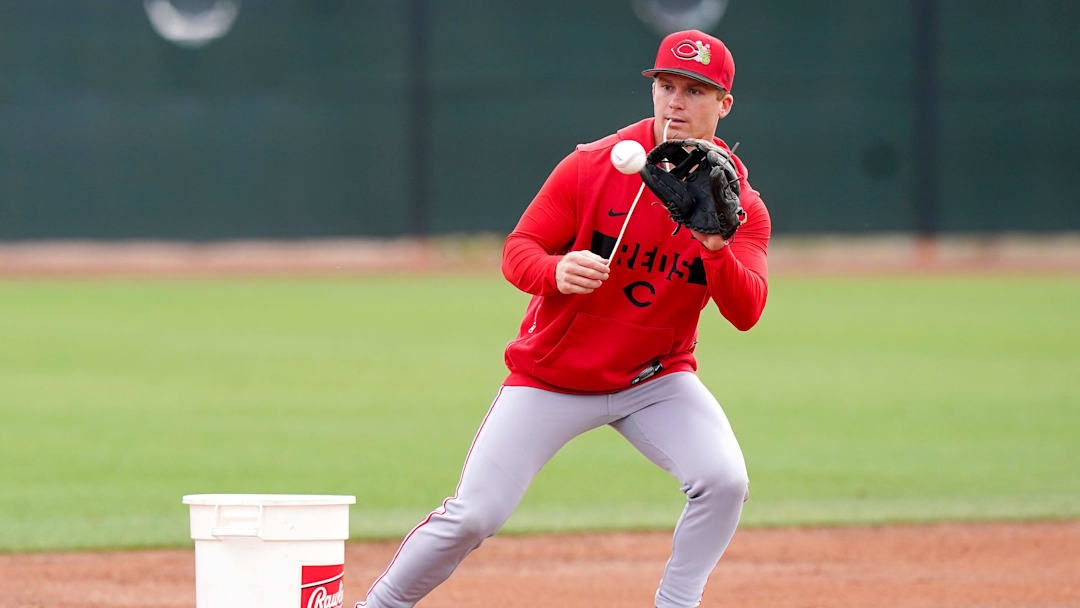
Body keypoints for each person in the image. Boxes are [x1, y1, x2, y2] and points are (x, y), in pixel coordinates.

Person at [358, 29, 770, 608]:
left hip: (655, 379)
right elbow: (518, 250)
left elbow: (748, 310)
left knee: (724, 482)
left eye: (696, 91)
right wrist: (555, 272)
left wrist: (714, 247)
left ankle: (677, 603)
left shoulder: (739, 204)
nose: (677, 101)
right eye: (667, 86)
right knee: (475, 515)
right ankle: (380, 605)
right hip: (551, 377)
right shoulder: (593, 167)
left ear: (723, 105)